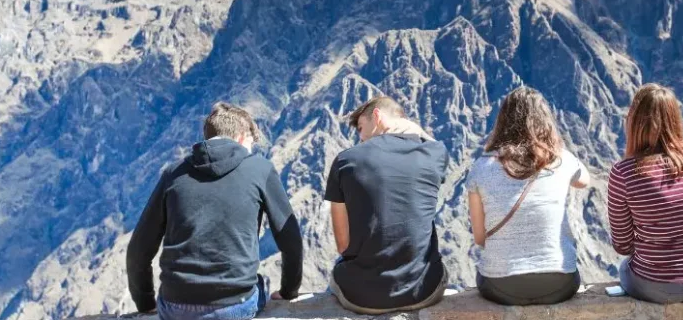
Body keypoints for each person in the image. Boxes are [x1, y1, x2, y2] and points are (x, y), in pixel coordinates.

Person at [126, 102, 304, 320]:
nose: (251, 149)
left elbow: (138, 249)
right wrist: (288, 291)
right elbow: (291, 240)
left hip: (175, 305)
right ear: (240, 136)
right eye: (251, 142)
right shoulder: (260, 168)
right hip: (233, 305)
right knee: (259, 284)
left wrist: (145, 303)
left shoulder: (173, 173)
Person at [324, 96, 448, 314]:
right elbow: (430, 142)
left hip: (361, 298)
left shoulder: (346, 160)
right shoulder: (436, 153)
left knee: (337, 269)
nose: (361, 139)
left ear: (377, 116)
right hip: (424, 290)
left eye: (361, 128)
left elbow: (343, 246)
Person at [466, 87, 590, 306]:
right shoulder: (562, 160)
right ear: (546, 121)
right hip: (560, 283)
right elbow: (584, 180)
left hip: (499, 285)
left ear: (502, 122)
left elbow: (479, 238)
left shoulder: (481, 168)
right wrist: (556, 149)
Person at [607, 84, 683, 304]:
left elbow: (622, 245)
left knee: (625, 267)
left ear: (634, 122)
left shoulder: (624, 173)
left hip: (657, 285)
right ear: (675, 119)